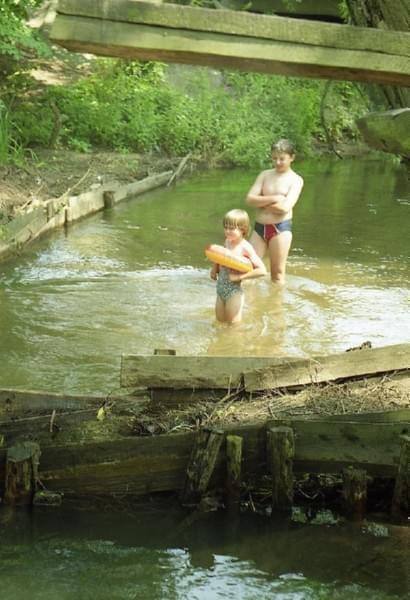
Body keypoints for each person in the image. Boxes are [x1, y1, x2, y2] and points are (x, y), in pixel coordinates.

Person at [246, 139, 304, 284]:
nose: (277, 162)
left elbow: (285, 208)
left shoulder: (296, 180)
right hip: (259, 229)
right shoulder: (265, 175)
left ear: (292, 158)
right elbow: (249, 199)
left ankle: (276, 306)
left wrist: (262, 202)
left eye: (282, 159)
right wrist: (275, 198)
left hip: (280, 229)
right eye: (274, 158)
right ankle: (250, 305)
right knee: (248, 269)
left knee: (277, 274)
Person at [210, 209, 267, 324]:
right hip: (220, 290)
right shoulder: (227, 241)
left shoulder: (245, 247)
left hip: (234, 292)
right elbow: (221, 256)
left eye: (232, 228)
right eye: (226, 227)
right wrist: (214, 268)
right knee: (219, 323)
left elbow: (262, 270)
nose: (227, 231)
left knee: (233, 328)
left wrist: (238, 278)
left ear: (243, 229)